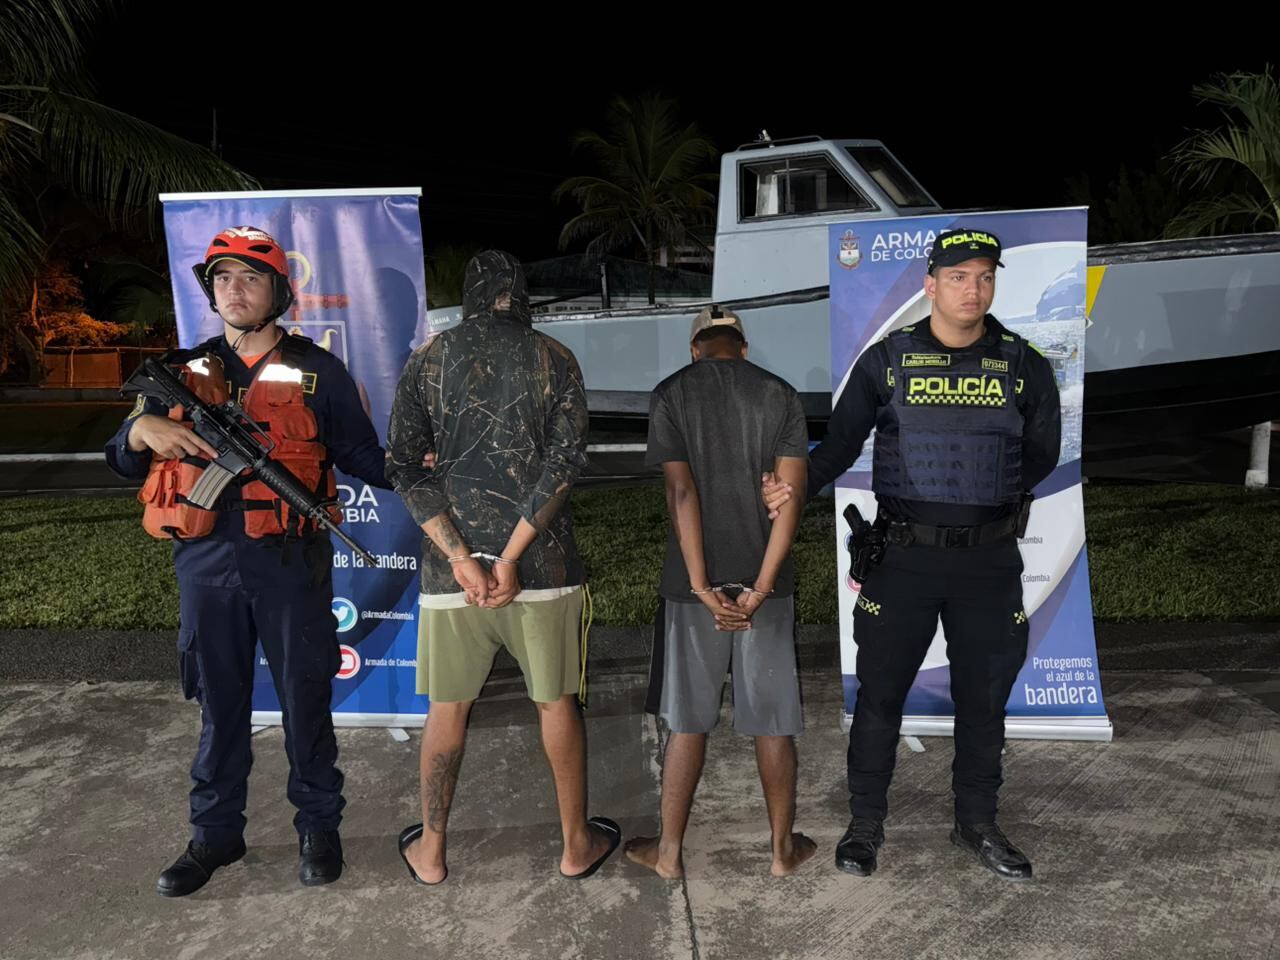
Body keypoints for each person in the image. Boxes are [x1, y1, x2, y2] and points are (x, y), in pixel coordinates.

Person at [764, 228, 1061, 880]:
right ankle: (865, 826)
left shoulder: (1022, 364)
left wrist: (978, 505)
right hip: (902, 561)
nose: (972, 288)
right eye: (958, 276)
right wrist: (790, 490)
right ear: (930, 284)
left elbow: (1038, 456)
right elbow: (837, 450)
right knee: (881, 697)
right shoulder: (887, 362)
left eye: (984, 276)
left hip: (987, 564)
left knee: (985, 700)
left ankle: (976, 823)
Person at [106, 226, 391, 896]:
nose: (235, 291)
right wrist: (137, 429)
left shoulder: (320, 371)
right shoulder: (180, 371)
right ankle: (214, 836)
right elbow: (121, 458)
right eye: (224, 279)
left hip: (291, 563)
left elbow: (362, 458)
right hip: (206, 566)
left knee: (304, 701)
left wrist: (422, 467)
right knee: (220, 705)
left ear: (278, 292)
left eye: (251, 278)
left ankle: (319, 827)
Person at [385, 250, 618, 886]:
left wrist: (462, 557)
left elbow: (402, 465)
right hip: (542, 568)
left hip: (449, 573)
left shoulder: (428, 359)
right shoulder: (555, 358)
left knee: (447, 711)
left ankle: (430, 854)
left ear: (469, 293)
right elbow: (564, 465)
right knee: (554, 703)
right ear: (522, 293)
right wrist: (510, 557)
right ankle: (576, 846)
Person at [626, 305, 816, 879]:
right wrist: (757, 590)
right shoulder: (780, 395)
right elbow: (791, 500)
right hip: (768, 589)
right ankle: (782, 851)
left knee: (687, 722)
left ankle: (668, 854)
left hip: (693, 593)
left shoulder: (670, 394)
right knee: (772, 720)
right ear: (742, 345)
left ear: (695, 349)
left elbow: (681, 495)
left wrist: (704, 587)